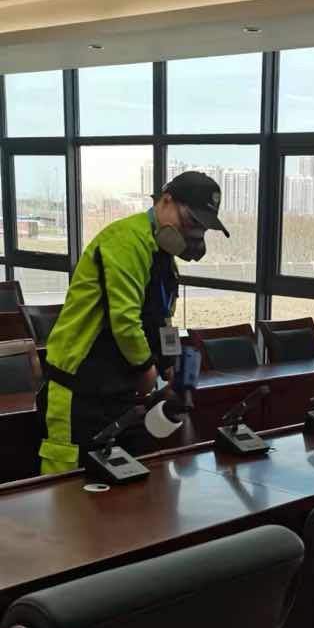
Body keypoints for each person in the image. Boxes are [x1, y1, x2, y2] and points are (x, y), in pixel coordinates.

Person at [39, 171, 229, 475]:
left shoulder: (163, 257)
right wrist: (146, 369)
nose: (194, 233)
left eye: (202, 227)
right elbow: (125, 320)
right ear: (166, 201)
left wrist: (168, 362)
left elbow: (161, 317)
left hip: (122, 390)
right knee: (69, 483)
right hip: (80, 387)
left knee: (126, 481)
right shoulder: (125, 241)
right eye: (191, 220)